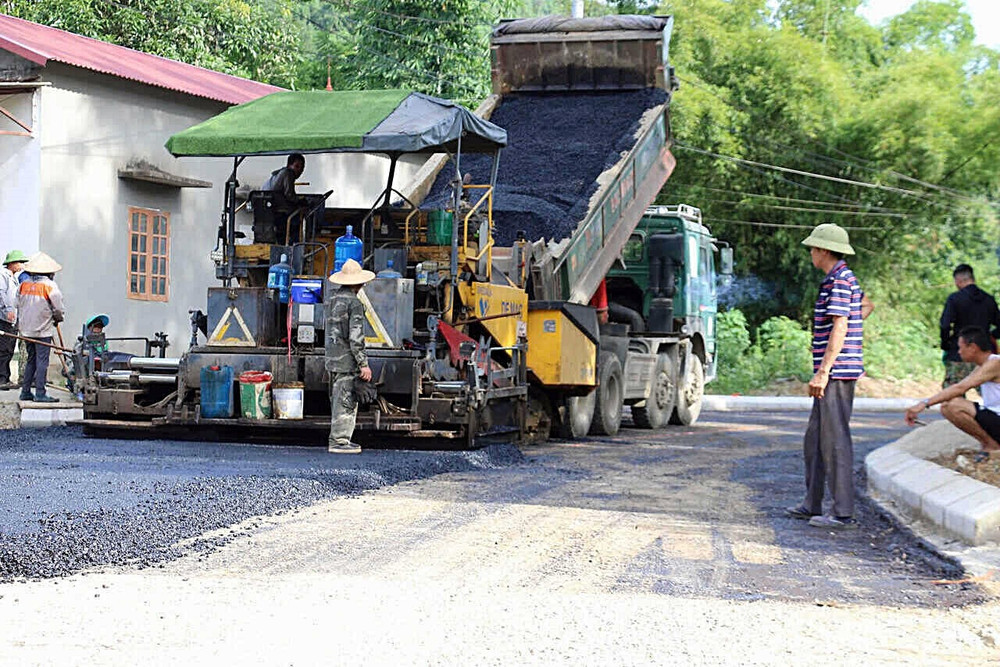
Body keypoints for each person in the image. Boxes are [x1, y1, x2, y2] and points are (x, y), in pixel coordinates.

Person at [785, 223, 874, 530]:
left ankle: (841, 512)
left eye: (813, 248)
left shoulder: (839, 280)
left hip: (836, 373)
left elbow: (839, 325)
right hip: (837, 369)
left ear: (823, 250)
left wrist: (824, 370)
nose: (810, 253)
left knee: (835, 441)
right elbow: (864, 306)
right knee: (815, 440)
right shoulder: (843, 278)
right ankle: (812, 503)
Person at [905, 326, 1000, 462]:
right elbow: (959, 386)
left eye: (961, 347)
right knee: (948, 405)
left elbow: (960, 388)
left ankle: (992, 446)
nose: (959, 352)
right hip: (995, 416)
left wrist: (924, 404)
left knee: (953, 405)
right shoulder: (984, 365)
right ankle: (990, 443)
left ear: (972, 347)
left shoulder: (995, 363)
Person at [325, 258, 375, 454]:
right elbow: (356, 337)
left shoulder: (332, 300)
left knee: (336, 400)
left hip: (332, 359)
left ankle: (336, 437)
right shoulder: (354, 303)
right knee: (345, 402)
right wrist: (363, 363)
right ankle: (340, 441)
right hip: (346, 361)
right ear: (358, 282)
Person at [939, 264, 1000, 388]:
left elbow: (945, 325)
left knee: (952, 393)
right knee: (990, 389)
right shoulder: (988, 299)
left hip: (959, 352)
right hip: (983, 355)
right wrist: (990, 336)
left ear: (958, 280)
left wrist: (946, 343)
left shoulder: (955, 299)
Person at [17, 252, 65, 403]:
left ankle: (25, 391)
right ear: (50, 273)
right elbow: (58, 309)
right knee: (42, 361)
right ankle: (40, 393)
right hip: (42, 330)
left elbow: (17, 303)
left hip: (26, 329)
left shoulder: (23, 285)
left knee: (31, 360)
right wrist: (58, 318)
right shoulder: (50, 286)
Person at [263, 153, 307, 242]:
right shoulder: (288, 173)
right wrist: (301, 201)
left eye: (302, 168)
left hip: (267, 214)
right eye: (297, 166)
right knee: (298, 219)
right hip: (278, 214)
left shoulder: (276, 174)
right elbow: (290, 196)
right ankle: (294, 244)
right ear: (289, 165)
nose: (300, 171)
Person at [0, 250, 28, 389]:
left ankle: (6, 377)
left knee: (10, 348)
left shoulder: (14, 278)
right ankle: (2, 379)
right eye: (20, 262)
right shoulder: (3, 276)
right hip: (5, 318)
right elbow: (2, 294)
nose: (22, 265)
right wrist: (8, 310)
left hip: (13, 318)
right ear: (12, 263)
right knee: (4, 349)